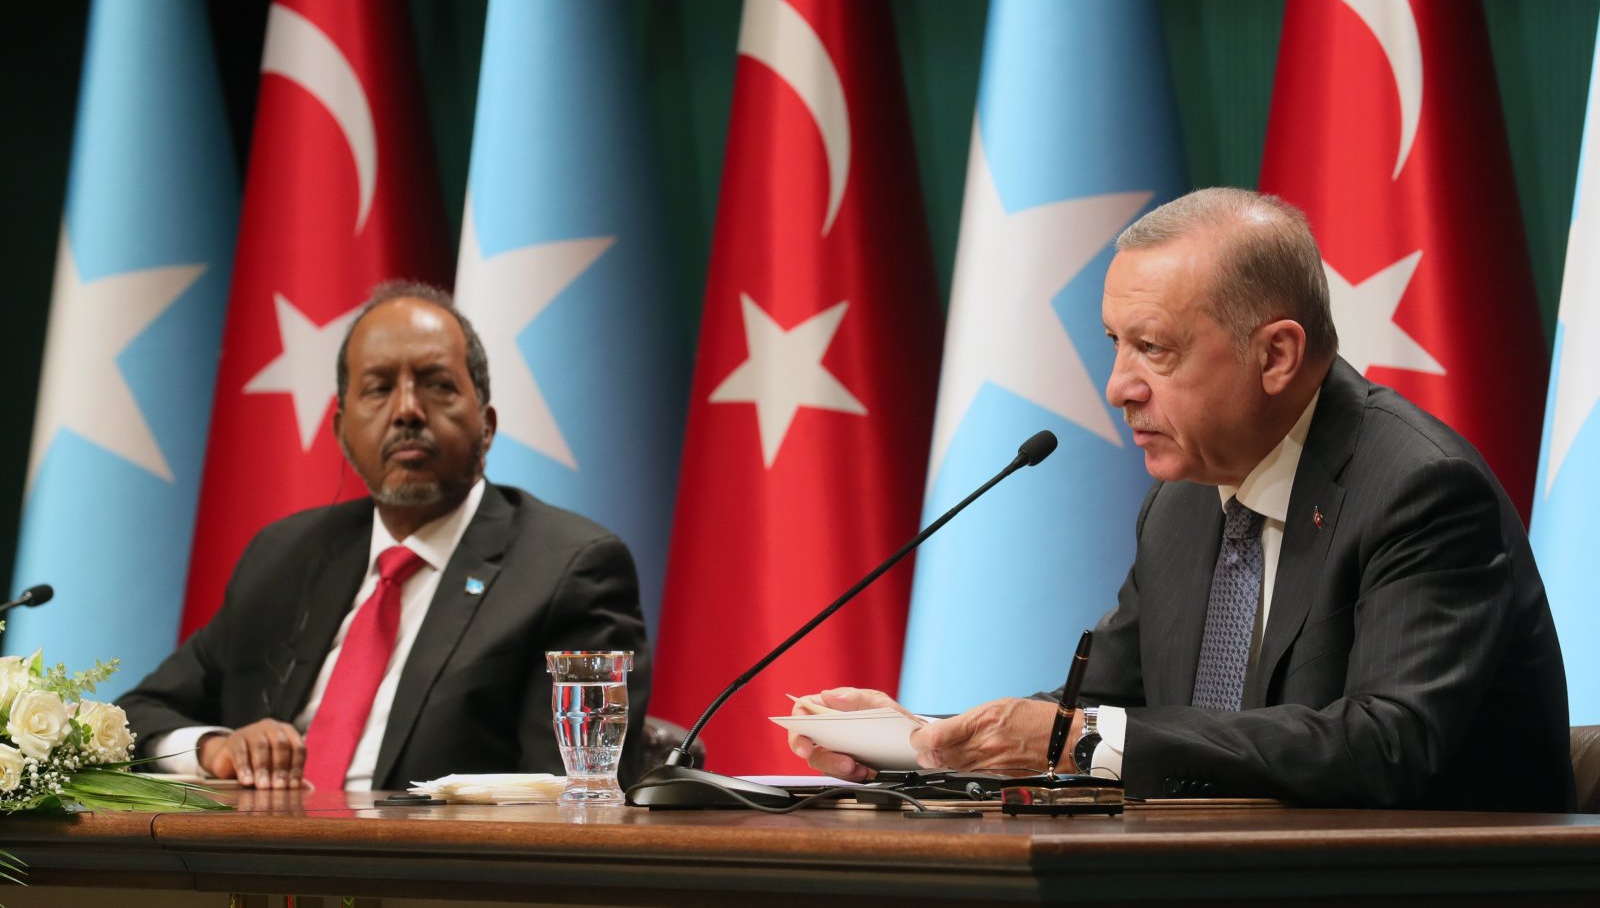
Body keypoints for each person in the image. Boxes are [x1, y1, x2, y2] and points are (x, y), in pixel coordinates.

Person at [792, 187, 1574, 811]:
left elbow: (1385, 744)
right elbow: (1100, 707)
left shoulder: (1419, 489)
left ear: (1276, 354)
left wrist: (1080, 739)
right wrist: (921, 739)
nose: (1117, 387)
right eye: (1115, 343)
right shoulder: (1185, 503)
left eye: (1154, 348)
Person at [119, 282, 651, 791]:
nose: (407, 411)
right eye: (378, 388)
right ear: (341, 429)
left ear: (487, 425)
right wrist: (215, 748)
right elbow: (135, 718)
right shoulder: (284, 557)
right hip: (258, 866)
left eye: (438, 385)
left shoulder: (568, 570)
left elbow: (573, 798)